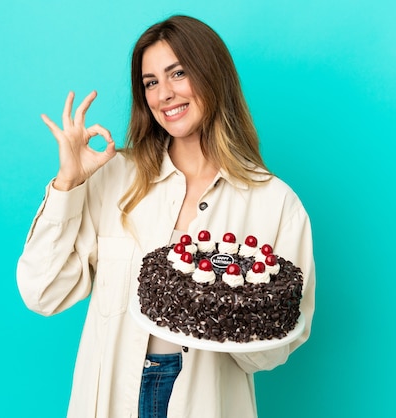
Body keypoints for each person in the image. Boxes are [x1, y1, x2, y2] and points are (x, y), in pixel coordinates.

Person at [17, 15, 315, 418]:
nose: (165, 95)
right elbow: (43, 292)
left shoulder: (275, 202)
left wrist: (229, 307)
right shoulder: (115, 178)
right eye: (151, 82)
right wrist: (68, 184)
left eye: (178, 73)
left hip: (206, 400)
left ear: (213, 76)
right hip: (112, 394)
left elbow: (273, 352)